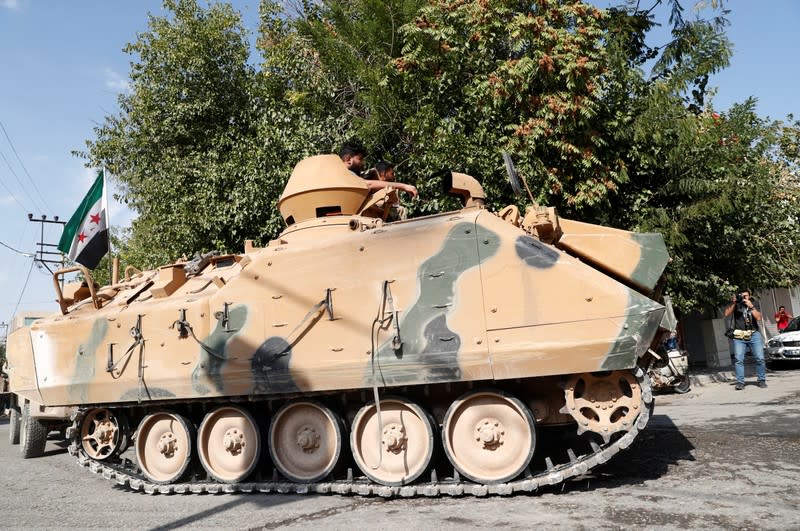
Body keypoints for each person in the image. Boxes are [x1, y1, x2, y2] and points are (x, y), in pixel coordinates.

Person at [724, 289, 767, 390]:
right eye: (742, 296)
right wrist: (734, 302)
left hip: (754, 334)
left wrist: (751, 307)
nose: (744, 298)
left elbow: (759, 318)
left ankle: (761, 380)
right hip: (739, 336)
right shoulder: (736, 305)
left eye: (746, 296)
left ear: (749, 296)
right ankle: (740, 382)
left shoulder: (753, 304)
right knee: (739, 359)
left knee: (760, 358)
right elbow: (726, 313)